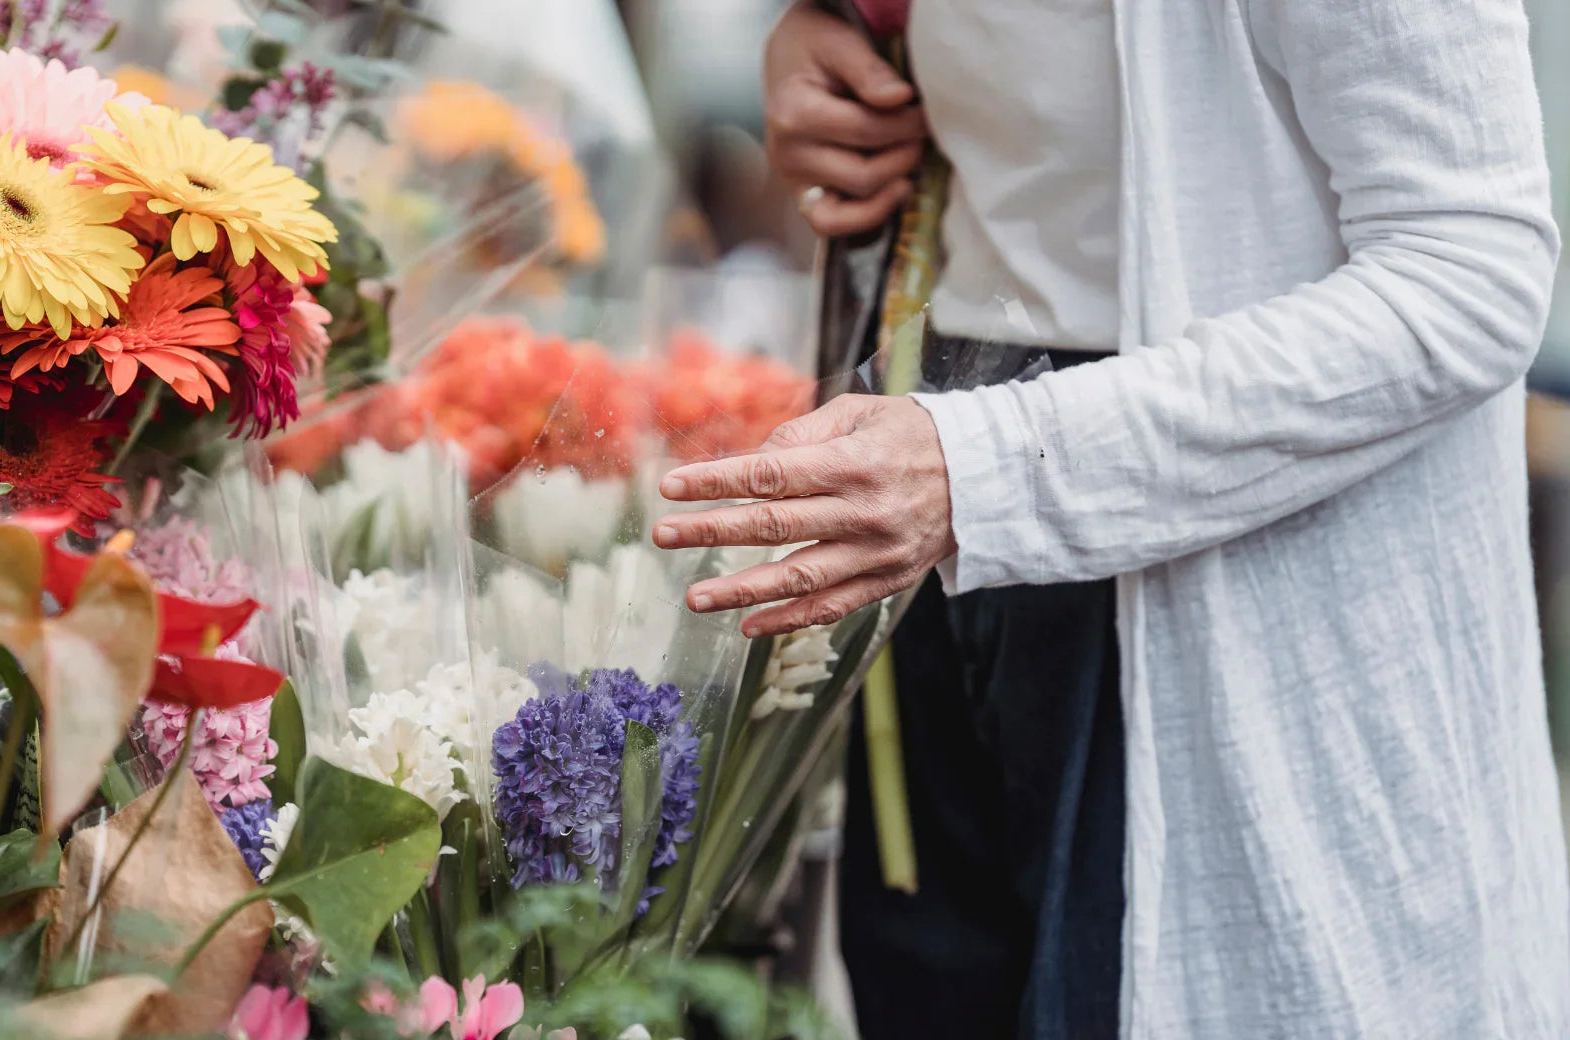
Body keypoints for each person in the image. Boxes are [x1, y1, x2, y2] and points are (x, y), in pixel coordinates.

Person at [650, 0, 1570, 1037]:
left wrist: (986, 473)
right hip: (930, 509)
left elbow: (1468, 267)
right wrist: (836, 48)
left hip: (1190, 551)